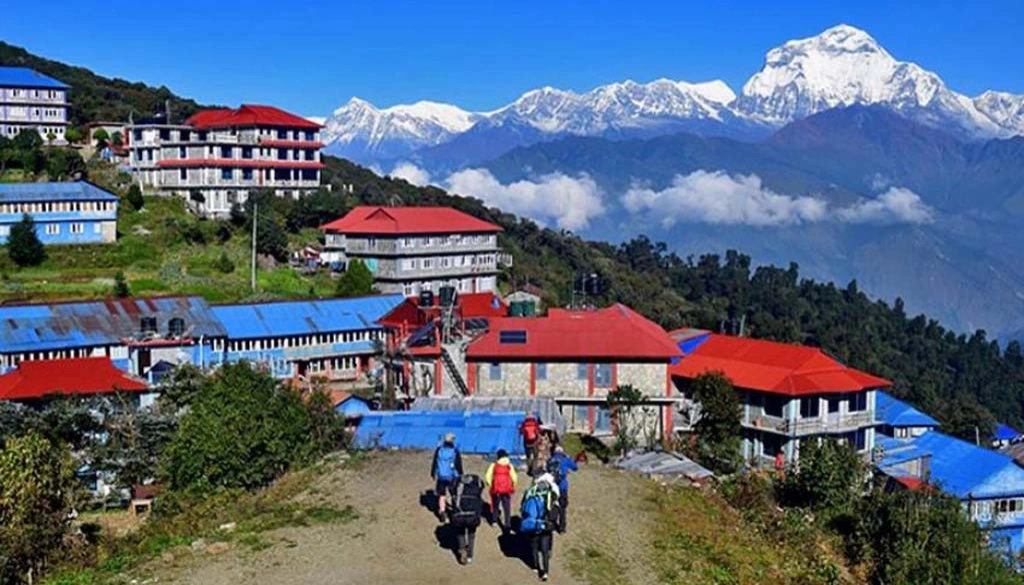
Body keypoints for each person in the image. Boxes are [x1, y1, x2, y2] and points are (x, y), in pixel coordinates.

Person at [519, 471, 561, 581]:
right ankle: (545, 572)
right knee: (545, 550)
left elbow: (523, 508)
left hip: (533, 524)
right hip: (546, 525)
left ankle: (535, 566)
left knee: (533, 547)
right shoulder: (551, 493)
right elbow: (556, 509)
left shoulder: (530, 492)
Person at [449, 473, 485, 565]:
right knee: (471, 535)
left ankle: (462, 548)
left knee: (460, 533)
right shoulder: (476, 486)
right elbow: (481, 490)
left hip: (459, 514)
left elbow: (451, 491)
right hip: (472, 514)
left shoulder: (457, 485)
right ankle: (470, 555)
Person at [430, 432, 463, 522]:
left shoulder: (439, 450)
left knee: (442, 495)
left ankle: (442, 511)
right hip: (452, 476)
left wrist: (433, 473)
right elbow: (458, 465)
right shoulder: (455, 451)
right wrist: (461, 475)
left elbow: (435, 462)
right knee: (454, 494)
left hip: (441, 476)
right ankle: (454, 511)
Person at [484, 448, 518, 533]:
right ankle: (507, 526)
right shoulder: (509, 465)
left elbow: (487, 477)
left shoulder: (494, 465)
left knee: (495, 506)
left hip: (496, 489)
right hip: (506, 490)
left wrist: (492, 485)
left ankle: (494, 521)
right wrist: (512, 485)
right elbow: (514, 477)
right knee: (507, 508)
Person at [547, 445, 578, 533]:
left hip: (552, 486)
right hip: (562, 486)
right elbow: (575, 467)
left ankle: (551, 524)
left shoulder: (550, 460)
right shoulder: (565, 460)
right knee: (562, 507)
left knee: (552, 505)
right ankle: (562, 527)